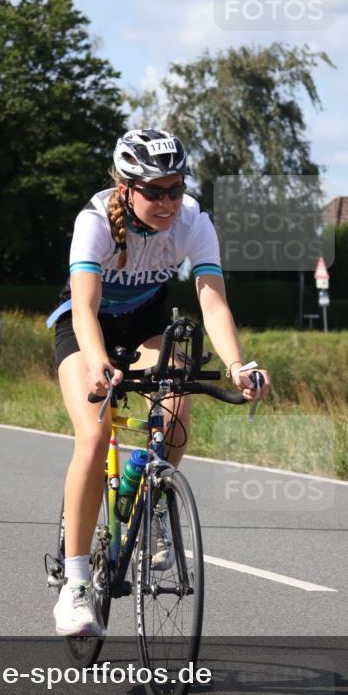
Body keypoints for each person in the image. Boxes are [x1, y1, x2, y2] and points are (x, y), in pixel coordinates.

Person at [48, 128, 271, 636]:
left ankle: (151, 508)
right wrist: (99, 362)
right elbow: (83, 307)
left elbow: (212, 298)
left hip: (145, 325)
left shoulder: (193, 220)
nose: (169, 201)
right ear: (126, 188)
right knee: (95, 434)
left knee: (176, 406)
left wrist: (237, 365)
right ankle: (77, 584)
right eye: (155, 191)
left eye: (176, 187)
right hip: (84, 327)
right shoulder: (95, 221)